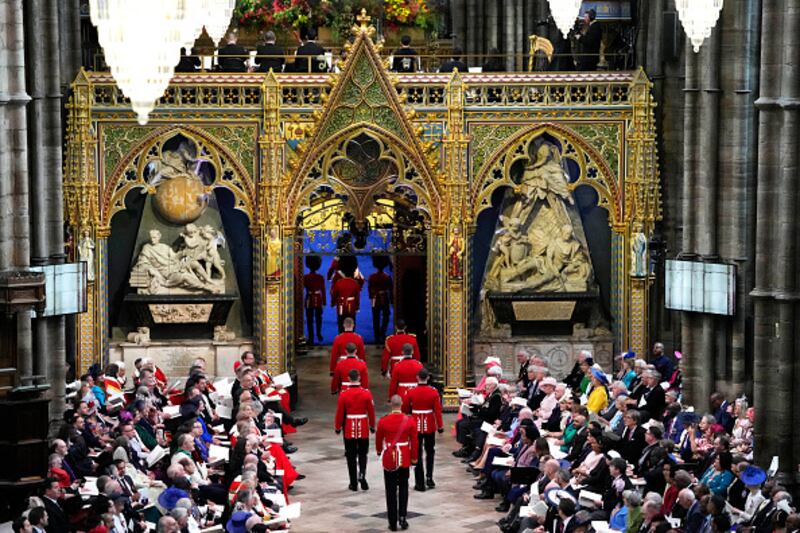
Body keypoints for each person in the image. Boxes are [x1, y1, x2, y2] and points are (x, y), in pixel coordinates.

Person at [376, 395, 419, 531]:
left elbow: (378, 439)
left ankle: (392, 521)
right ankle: (403, 517)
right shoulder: (409, 421)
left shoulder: (383, 421)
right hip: (404, 457)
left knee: (390, 490)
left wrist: (379, 451)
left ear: (391, 404)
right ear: (401, 404)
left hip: (390, 457)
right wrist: (414, 458)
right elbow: (414, 442)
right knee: (404, 488)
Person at [401, 368, 443, 491]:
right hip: (429, 424)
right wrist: (440, 426)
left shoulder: (411, 391)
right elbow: (437, 411)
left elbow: (405, 409)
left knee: (417, 452)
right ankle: (429, 478)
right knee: (430, 452)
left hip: (415, 424)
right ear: (428, 378)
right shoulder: (433, 392)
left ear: (417, 377)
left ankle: (419, 482)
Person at [335, 369, 376, 491]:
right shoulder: (366, 393)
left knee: (351, 456)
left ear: (348, 378)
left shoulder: (344, 394)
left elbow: (340, 412)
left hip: (349, 427)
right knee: (363, 454)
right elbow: (371, 412)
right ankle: (362, 474)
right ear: (359, 378)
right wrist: (372, 425)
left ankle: (353, 483)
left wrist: (338, 427)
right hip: (362, 426)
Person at [368, 259, 392, 344]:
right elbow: (390, 289)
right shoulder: (387, 277)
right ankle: (382, 332)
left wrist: (371, 297)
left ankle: (377, 335)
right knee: (386, 316)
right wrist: (391, 300)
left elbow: (370, 288)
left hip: (374, 298)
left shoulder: (371, 277)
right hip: (384, 297)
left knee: (375, 317)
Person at [303, 256, 326, 345]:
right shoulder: (320, 277)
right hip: (318, 299)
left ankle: (311, 338)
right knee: (318, 318)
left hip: (309, 299)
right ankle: (319, 334)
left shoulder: (305, 277)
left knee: (309, 320)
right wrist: (324, 302)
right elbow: (323, 291)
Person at [331, 268, 361, 333]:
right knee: (351, 322)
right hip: (351, 305)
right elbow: (357, 296)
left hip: (341, 305)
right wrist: (357, 307)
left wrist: (333, 303)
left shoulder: (338, 282)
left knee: (340, 323)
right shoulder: (355, 283)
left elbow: (334, 294)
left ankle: (341, 336)